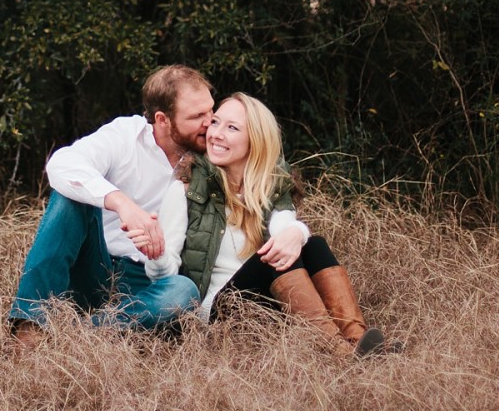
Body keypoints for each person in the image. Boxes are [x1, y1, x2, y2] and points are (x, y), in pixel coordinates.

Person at [148, 91, 397, 357]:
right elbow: (164, 275)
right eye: (216, 122)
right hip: (218, 314)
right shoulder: (186, 190)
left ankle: (357, 340)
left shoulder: (270, 186)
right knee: (272, 258)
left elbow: (284, 224)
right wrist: (156, 252)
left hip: (268, 306)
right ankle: (338, 352)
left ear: (254, 139)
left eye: (232, 128)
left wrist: (297, 233)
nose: (216, 133)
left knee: (313, 245)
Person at [7, 65, 212, 348]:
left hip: (148, 283)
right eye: (197, 116)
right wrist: (121, 203)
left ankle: (80, 337)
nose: (210, 122)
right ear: (163, 119)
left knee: (182, 292)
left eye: (210, 110)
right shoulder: (125, 135)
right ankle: (30, 329)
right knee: (71, 196)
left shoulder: (214, 153)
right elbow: (62, 164)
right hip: (95, 267)